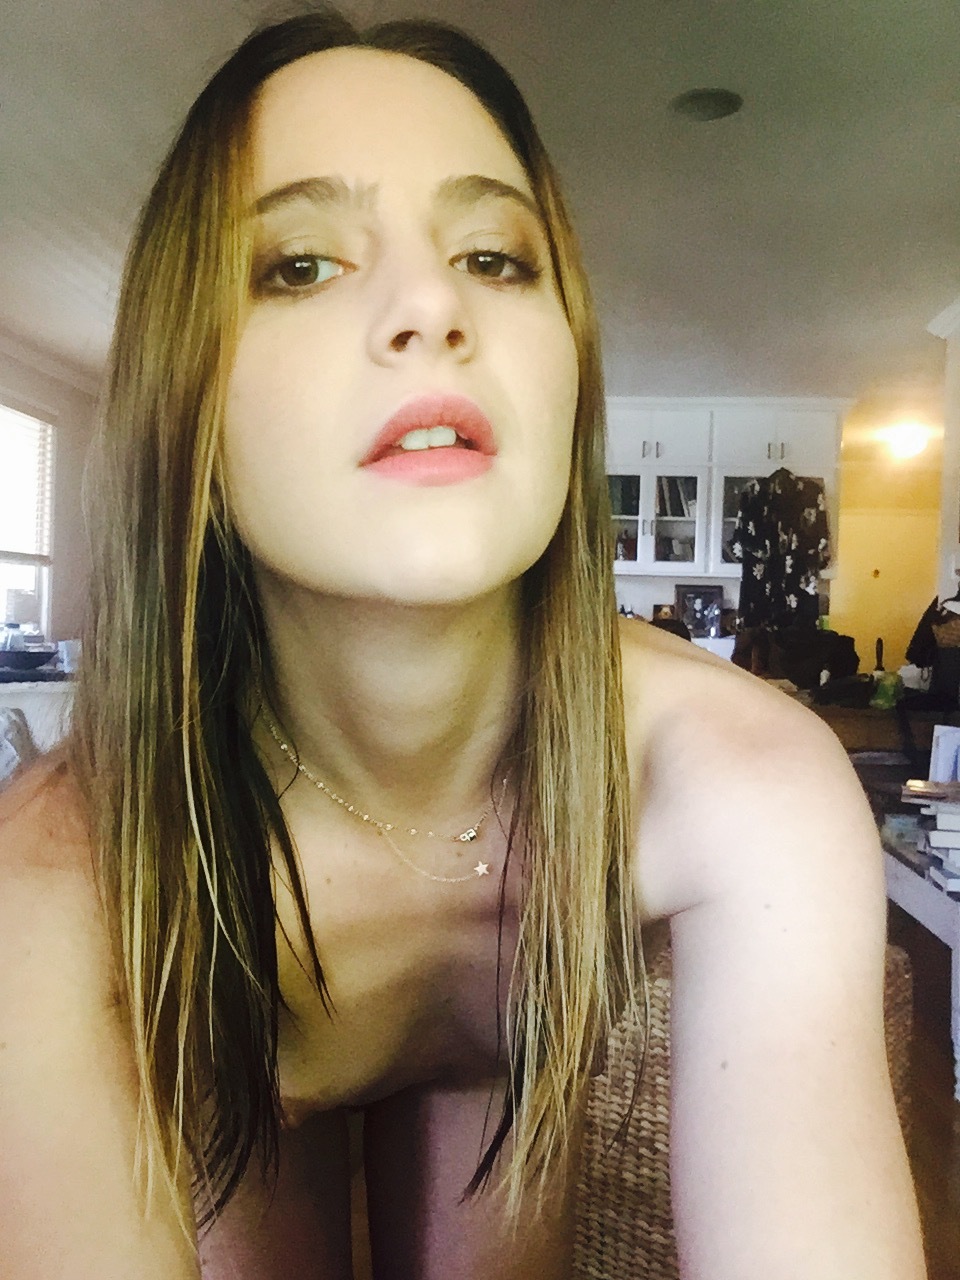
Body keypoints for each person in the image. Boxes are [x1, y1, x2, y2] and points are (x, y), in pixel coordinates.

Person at [0, 11, 925, 1279]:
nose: (433, 303)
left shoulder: (747, 777)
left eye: (495, 256)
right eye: (300, 265)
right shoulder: (59, 893)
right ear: (187, 407)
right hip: (253, 1045)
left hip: (504, 1040)